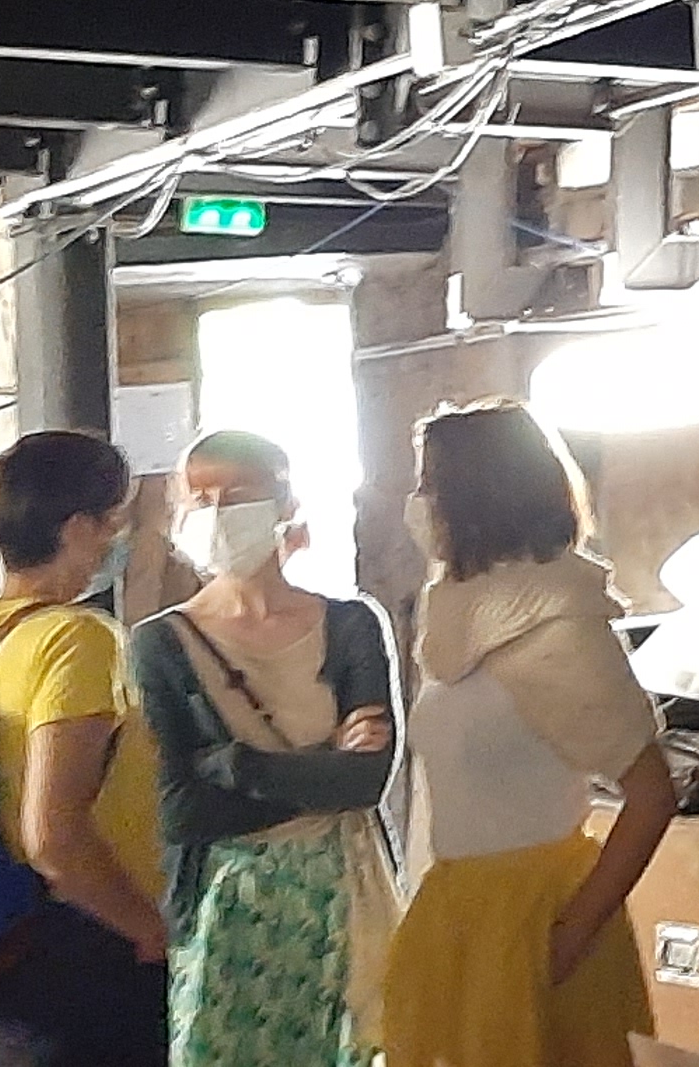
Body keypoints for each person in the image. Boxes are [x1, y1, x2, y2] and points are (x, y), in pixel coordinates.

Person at [380, 403, 669, 1067]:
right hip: (456, 906)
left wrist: (568, 938)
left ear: (478, 494)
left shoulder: (559, 620)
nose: (418, 503)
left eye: (430, 485)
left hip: (536, 913)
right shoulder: (448, 611)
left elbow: (653, 796)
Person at [128, 432, 397, 1067]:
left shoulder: (351, 624)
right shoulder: (161, 643)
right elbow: (186, 811)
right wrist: (324, 762)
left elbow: (366, 782)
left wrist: (234, 765)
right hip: (226, 909)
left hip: (349, 896)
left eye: (239, 494)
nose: (219, 513)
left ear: (285, 503)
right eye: (201, 499)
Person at [0, 430, 168, 1067]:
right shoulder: (76, 639)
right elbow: (54, 835)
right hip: (82, 957)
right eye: (115, 520)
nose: (121, 537)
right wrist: (149, 930)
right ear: (78, 529)